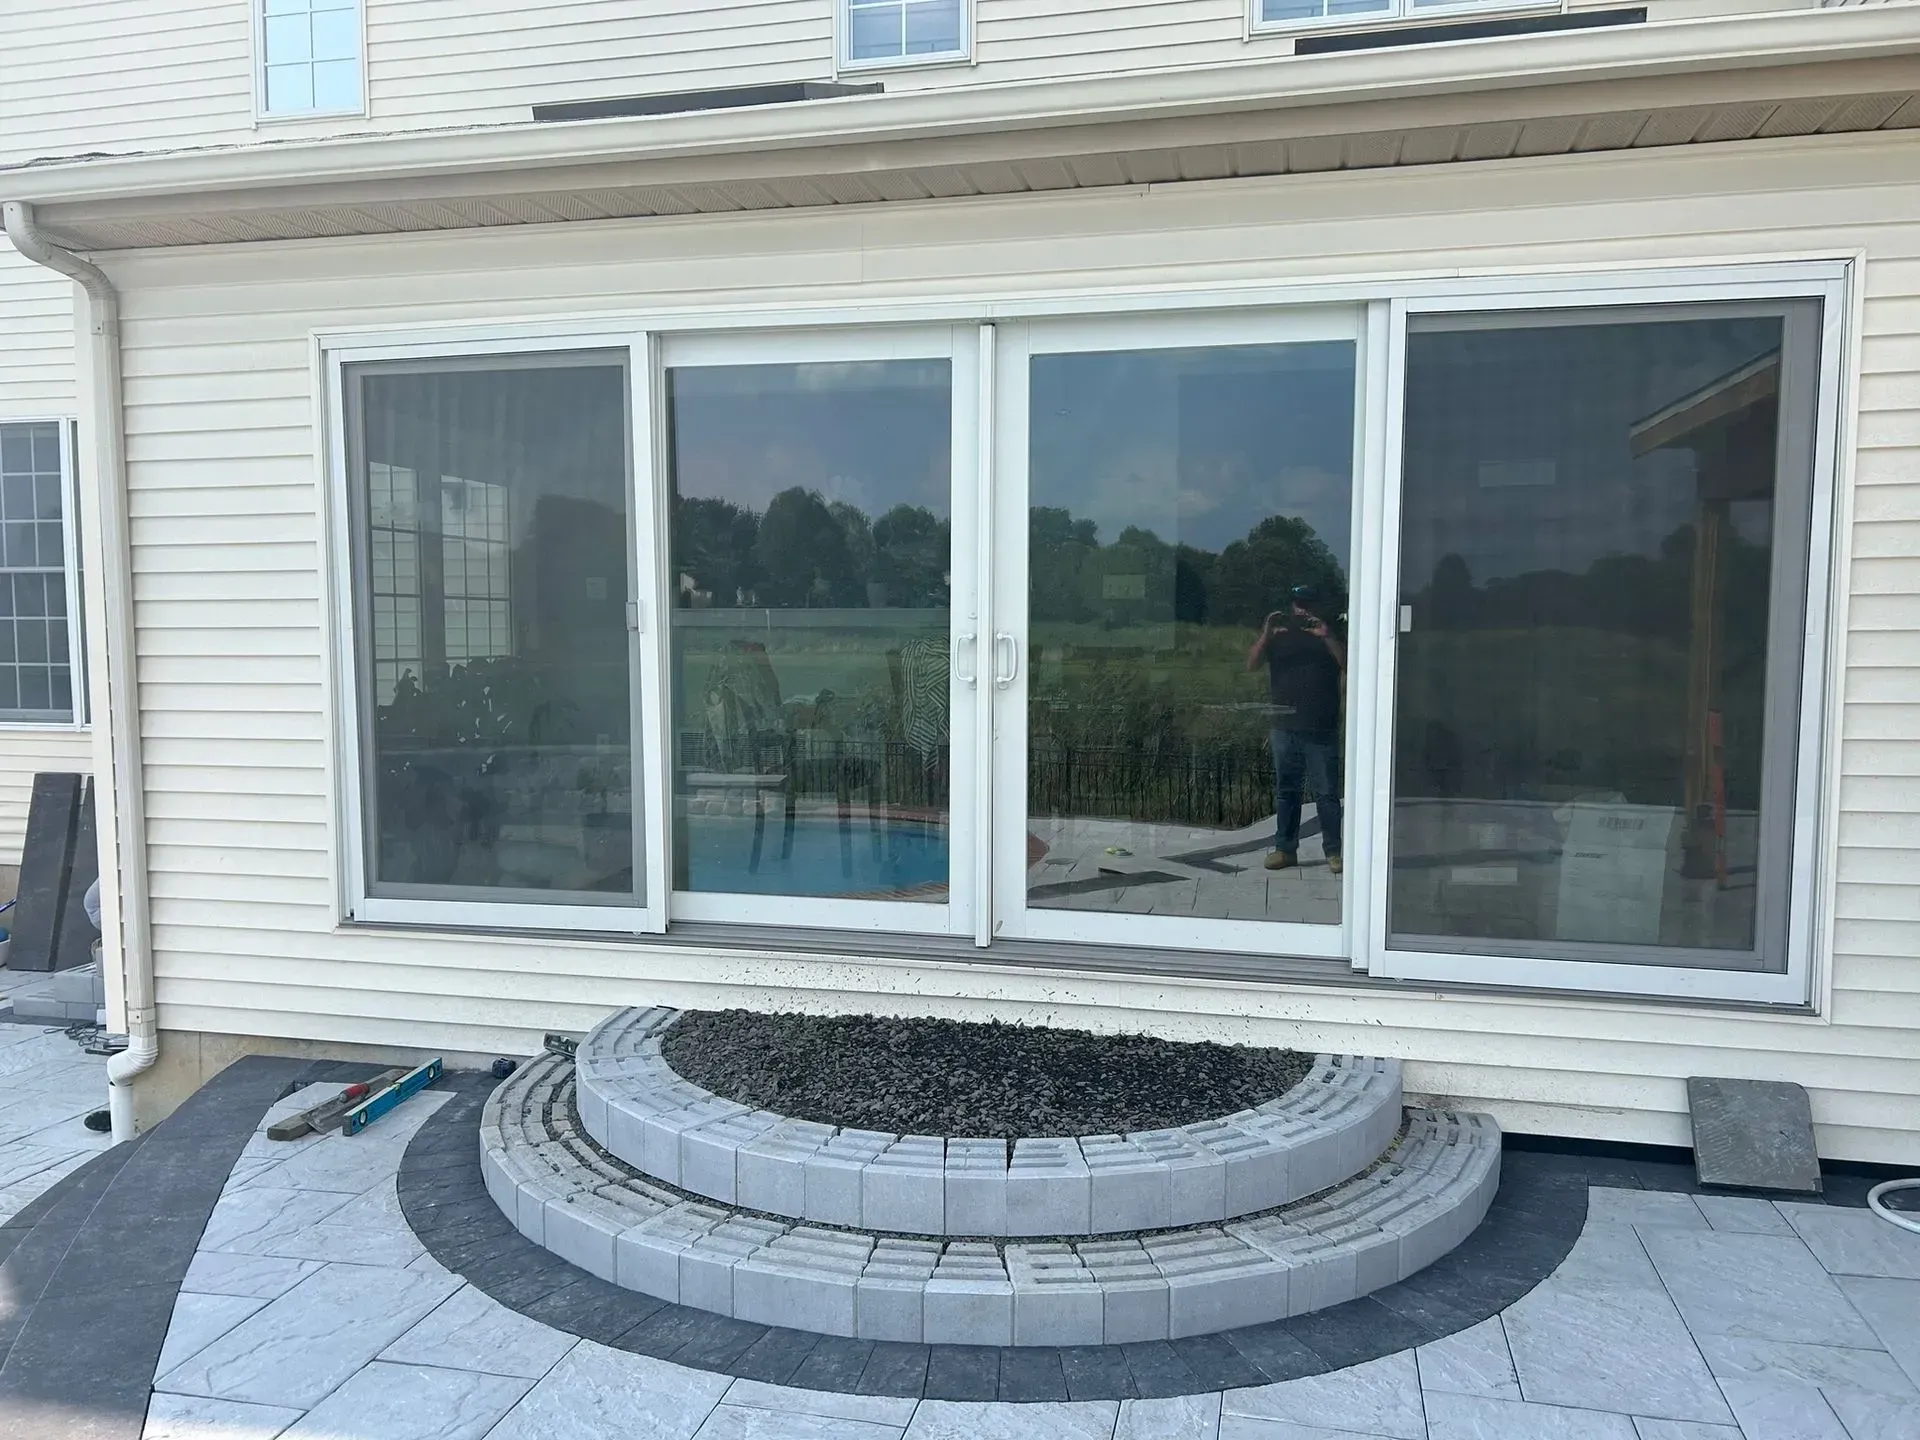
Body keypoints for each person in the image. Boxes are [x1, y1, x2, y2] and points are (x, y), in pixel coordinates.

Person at [1245, 584, 1345, 874]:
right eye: (1299, 604)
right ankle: (1285, 850)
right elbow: (1251, 664)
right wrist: (1265, 634)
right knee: (1287, 791)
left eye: (1308, 605)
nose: (1303, 610)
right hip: (1284, 726)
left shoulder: (1328, 634)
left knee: (1326, 793)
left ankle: (1334, 851)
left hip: (1321, 726)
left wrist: (1327, 636)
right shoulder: (1279, 636)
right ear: (1292, 606)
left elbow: (1348, 664)